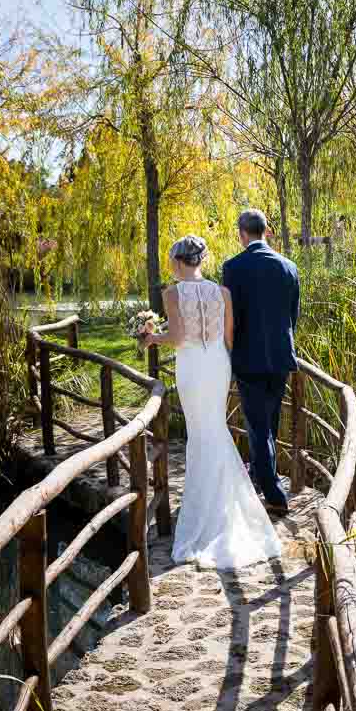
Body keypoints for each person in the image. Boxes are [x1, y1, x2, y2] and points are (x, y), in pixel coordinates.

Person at [143, 235, 281, 570]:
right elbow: (229, 336)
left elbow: (176, 338)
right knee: (215, 430)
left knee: (201, 434)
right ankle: (225, 509)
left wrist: (152, 337)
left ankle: (206, 515)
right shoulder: (223, 292)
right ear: (201, 260)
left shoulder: (172, 293)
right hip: (218, 364)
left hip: (192, 367)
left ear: (178, 261)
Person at [222, 209, 300, 515]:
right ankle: (261, 474)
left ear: (243, 233)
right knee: (270, 421)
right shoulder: (289, 266)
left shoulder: (233, 267)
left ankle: (275, 497)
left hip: (248, 358)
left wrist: (230, 350)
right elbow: (293, 315)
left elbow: (232, 317)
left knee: (258, 426)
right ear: (266, 231)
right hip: (281, 356)